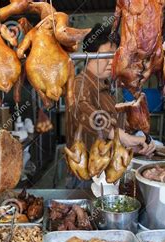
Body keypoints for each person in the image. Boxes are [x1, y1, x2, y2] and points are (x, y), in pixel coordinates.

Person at [65, 23, 156, 187]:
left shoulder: (105, 88)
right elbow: (84, 113)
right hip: (85, 175)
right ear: (90, 54)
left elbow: (112, 133)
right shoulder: (80, 83)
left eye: (113, 57)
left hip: (105, 173)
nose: (110, 62)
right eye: (105, 56)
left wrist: (132, 145)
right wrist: (124, 137)